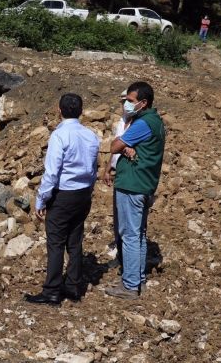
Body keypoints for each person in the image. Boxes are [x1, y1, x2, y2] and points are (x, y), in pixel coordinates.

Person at [25, 93, 100, 306]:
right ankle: (74, 287)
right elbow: (93, 168)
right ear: (81, 111)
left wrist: (41, 199)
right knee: (75, 242)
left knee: (56, 243)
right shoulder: (91, 135)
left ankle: (51, 291)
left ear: (59, 110)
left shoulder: (59, 136)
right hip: (83, 194)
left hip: (63, 195)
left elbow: (51, 173)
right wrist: (88, 190)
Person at [105, 81, 165, 300]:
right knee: (138, 234)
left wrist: (124, 145)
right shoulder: (155, 121)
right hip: (145, 184)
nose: (127, 105)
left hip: (132, 185)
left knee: (130, 235)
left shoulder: (142, 124)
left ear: (143, 102)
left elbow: (114, 146)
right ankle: (137, 279)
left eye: (130, 101)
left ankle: (130, 286)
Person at [101, 90, 132, 272]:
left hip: (129, 177)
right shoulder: (122, 122)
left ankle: (128, 260)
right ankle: (121, 254)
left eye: (127, 101)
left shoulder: (136, 124)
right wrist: (108, 169)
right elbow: (115, 148)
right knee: (118, 217)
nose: (124, 105)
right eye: (122, 101)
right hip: (118, 173)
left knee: (128, 220)